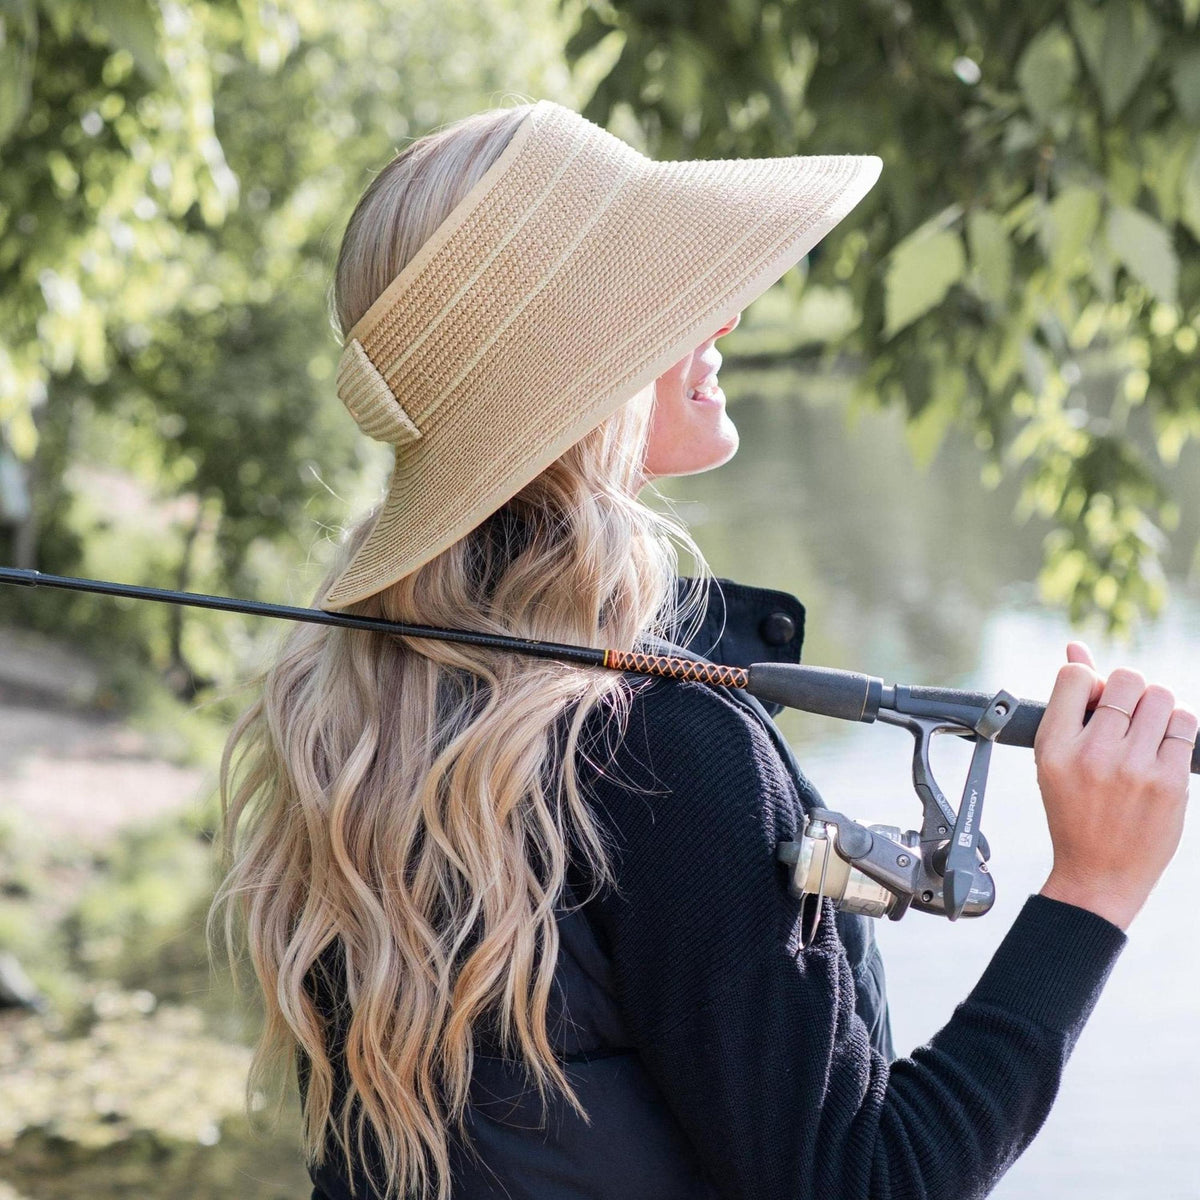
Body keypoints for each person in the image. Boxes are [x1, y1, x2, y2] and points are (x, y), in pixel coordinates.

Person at [210, 99, 1196, 1200]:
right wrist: (1092, 891)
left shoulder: (365, 712)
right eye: (670, 299)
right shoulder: (651, 749)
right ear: (580, 366)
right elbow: (864, 1185)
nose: (725, 314)